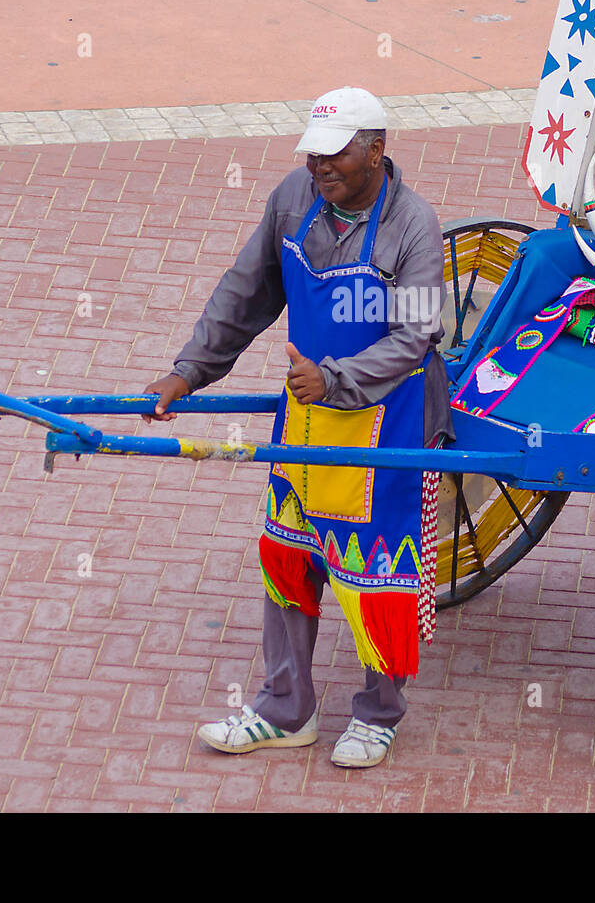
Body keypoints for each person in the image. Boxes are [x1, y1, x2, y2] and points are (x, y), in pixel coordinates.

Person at [143, 87, 451, 768]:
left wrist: (336, 379)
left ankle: (378, 713)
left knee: (378, 575)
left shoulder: (415, 225)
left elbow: (417, 336)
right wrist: (187, 372)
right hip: (307, 422)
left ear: (378, 148)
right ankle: (287, 709)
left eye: (335, 152)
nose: (321, 166)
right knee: (288, 559)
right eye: (313, 154)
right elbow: (246, 290)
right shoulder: (293, 198)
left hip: (388, 427)